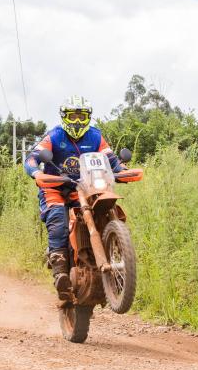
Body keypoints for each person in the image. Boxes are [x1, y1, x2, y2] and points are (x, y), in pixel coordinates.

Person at [24, 96, 124, 299]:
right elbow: (32, 157)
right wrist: (36, 172)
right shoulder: (53, 136)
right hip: (56, 187)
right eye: (73, 116)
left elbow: (111, 159)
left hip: (86, 187)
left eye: (82, 116)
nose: (77, 121)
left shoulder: (95, 136)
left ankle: (119, 258)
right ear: (65, 117)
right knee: (58, 218)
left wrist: (121, 169)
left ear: (88, 117)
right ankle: (60, 268)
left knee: (104, 208)